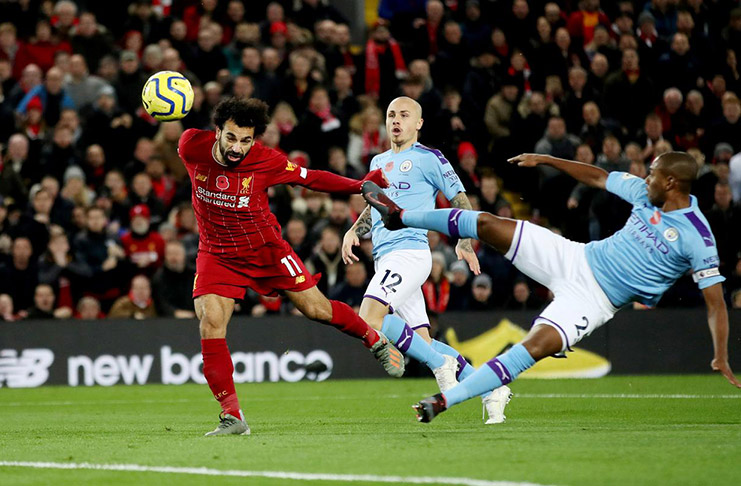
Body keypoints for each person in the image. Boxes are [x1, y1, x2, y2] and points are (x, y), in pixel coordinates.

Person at [361, 150, 740, 424]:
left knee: (533, 346)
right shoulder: (646, 193)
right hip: (575, 258)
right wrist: (546, 159)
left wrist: (720, 354)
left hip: (594, 301)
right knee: (490, 224)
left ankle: (444, 401)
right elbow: (597, 177)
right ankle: (401, 217)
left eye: (654, 174)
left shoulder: (698, 237)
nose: (647, 180)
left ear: (672, 182)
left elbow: (716, 304)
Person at [177, 97, 403, 436]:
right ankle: (232, 416)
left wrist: (359, 186)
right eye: (231, 138)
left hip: (266, 249)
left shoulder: (266, 160)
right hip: (217, 253)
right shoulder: (191, 146)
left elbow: (311, 178)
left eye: (246, 140)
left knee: (317, 310)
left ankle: (374, 339)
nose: (238, 147)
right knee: (210, 322)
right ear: (218, 132)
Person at [341, 96, 511, 424]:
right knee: (423, 341)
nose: (395, 120)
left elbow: (460, 197)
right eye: (391, 114)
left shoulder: (429, 158)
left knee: (369, 316)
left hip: (410, 253)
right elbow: (377, 203)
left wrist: (464, 238)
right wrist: (353, 231)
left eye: (404, 115)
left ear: (418, 123)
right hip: (385, 257)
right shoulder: (379, 160)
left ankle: (438, 365)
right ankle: (492, 387)